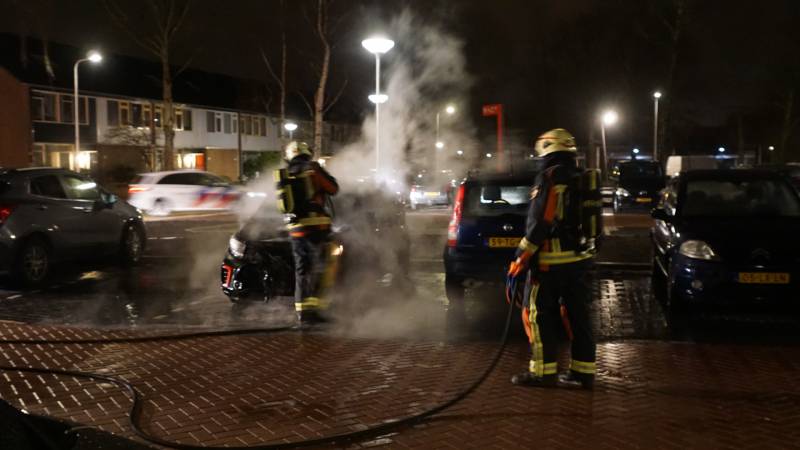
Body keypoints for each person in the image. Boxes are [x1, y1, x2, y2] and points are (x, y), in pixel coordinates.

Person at [507, 128, 599, 390]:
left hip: (549, 263)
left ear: (548, 148)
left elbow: (541, 222)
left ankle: (542, 373)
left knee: (536, 315)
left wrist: (520, 258)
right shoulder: (580, 176)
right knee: (578, 317)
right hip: (579, 261)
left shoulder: (549, 176)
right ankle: (583, 373)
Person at [275, 141, 339, 326]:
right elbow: (333, 189)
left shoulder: (286, 174)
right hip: (317, 228)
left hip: (296, 230)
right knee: (320, 269)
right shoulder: (312, 169)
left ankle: (303, 312)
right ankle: (317, 310)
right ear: (306, 153)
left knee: (302, 270)